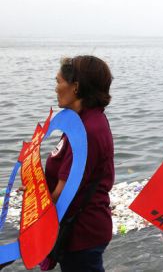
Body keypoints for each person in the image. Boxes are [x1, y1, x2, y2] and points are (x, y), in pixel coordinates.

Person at [44, 55, 115, 272]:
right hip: (82, 229)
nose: (56, 88)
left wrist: (35, 199)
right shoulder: (82, 120)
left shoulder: (86, 131)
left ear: (75, 87)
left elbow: (63, 192)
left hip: (82, 233)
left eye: (58, 82)